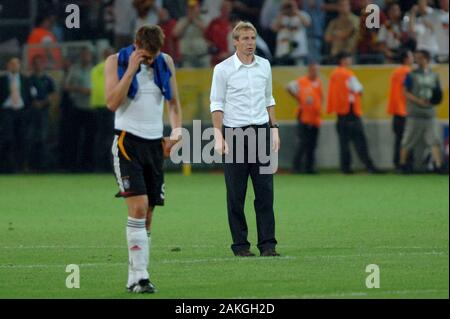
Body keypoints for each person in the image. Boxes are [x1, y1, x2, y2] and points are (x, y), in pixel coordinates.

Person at [105, 25, 182, 293]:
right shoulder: (115, 61)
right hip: (127, 141)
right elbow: (112, 102)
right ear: (137, 45)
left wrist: (176, 131)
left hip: (154, 144)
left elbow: (173, 103)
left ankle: (134, 277)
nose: (151, 60)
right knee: (138, 208)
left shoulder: (165, 62)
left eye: (154, 55)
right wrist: (130, 71)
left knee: (148, 214)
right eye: (146, 55)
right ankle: (141, 276)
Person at [210, 21, 280, 257]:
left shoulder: (265, 66)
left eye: (253, 38)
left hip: (261, 131)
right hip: (235, 134)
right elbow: (217, 104)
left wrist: (274, 128)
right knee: (236, 194)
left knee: (265, 193)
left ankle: (268, 245)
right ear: (235, 42)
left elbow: (269, 98)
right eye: (246, 39)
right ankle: (240, 246)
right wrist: (218, 135)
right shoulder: (223, 69)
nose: (250, 43)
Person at [327, 51, 380, 174]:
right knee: (360, 141)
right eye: (348, 59)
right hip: (351, 112)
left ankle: (346, 168)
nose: (350, 61)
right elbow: (359, 89)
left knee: (343, 143)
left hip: (340, 113)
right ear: (343, 61)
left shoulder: (334, 74)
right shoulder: (348, 74)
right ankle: (369, 166)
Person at [399, 50, 444, 174]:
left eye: (419, 58)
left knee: (434, 139)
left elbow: (438, 93)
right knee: (408, 139)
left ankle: (438, 164)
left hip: (430, 113)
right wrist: (418, 101)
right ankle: (403, 164)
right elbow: (405, 91)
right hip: (414, 112)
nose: (417, 61)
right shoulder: (411, 74)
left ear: (426, 59)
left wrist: (433, 101)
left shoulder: (434, 76)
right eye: (416, 58)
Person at [287, 62, 323, 174]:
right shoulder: (301, 81)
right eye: (313, 70)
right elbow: (288, 87)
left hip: (315, 117)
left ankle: (309, 167)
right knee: (303, 143)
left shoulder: (318, 82)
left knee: (312, 144)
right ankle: (296, 167)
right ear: (309, 70)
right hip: (304, 116)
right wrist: (298, 98)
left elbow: (320, 97)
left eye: (316, 70)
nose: (315, 72)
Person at [0, 57, 33, 173]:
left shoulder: (25, 80)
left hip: (21, 112)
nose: (14, 66)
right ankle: (8, 166)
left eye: (17, 63)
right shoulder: (2, 80)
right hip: (7, 112)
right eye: (12, 63)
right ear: (8, 65)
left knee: (22, 139)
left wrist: (27, 111)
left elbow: (30, 97)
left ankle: (22, 166)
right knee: (8, 139)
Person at [65, 47, 95, 172]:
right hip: (77, 106)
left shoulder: (95, 69)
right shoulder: (74, 69)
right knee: (74, 137)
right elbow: (67, 86)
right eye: (83, 55)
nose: (85, 57)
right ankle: (73, 164)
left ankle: (87, 164)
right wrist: (79, 89)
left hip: (91, 107)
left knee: (90, 137)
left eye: (87, 55)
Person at [387, 49, 414, 170]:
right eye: (411, 56)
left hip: (396, 111)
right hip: (405, 110)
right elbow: (407, 91)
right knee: (407, 139)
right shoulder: (407, 72)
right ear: (406, 59)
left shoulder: (396, 72)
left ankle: (397, 163)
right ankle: (406, 164)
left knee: (398, 140)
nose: (413, 58)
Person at [29, 54, 56, 172]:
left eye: (40, 63)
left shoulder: (48, 79)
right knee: (31, 137)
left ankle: (43, 166)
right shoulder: (29, 80)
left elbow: (53, 95)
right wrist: (34, 103)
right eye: (35, 63)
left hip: (44, 112)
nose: (38, 65)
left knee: (44, 138)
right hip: (31, 113)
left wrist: (43, 102)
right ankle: (31, 165)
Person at [90, 47, 115, 172]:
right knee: (110, 137)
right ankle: (109, 164)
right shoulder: (114, 69)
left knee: (99, 137)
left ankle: (98, 165)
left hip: (97, 107)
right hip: (110, 105)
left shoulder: (95, 69)